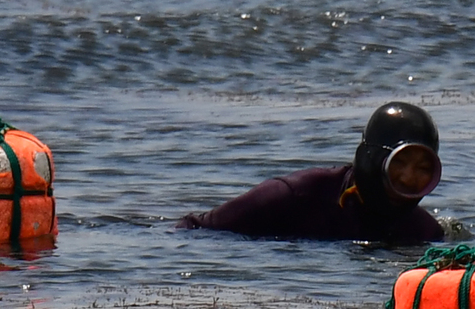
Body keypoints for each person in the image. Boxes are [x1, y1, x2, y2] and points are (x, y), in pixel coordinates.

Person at [177, 101, 446, 243]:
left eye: (423, 168)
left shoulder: (424, 232)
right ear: (374, 159)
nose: (409, 178)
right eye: (399, 163)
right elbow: (194, 228)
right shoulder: (291, 196)